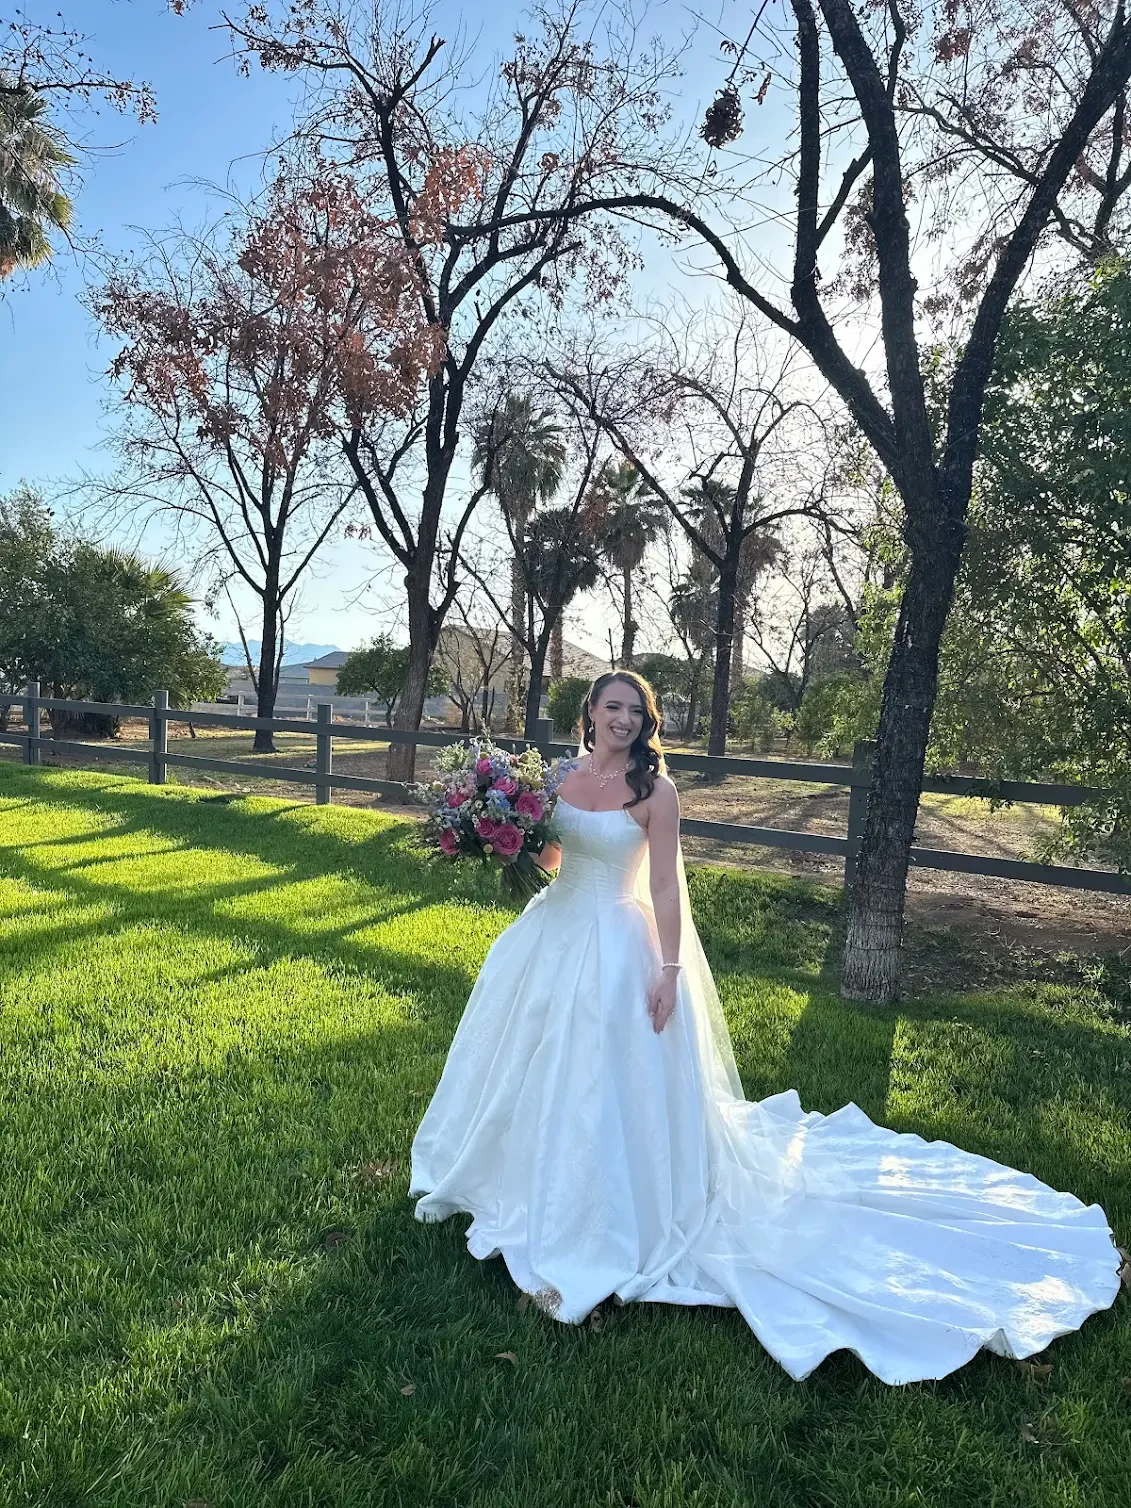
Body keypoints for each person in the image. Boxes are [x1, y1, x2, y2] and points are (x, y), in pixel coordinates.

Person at [409, 671, 1122, 1385]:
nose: (623, 720)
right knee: (530, 1059)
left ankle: (615, 1202)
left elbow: (661, 885)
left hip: (618, 947)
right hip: (551, 936)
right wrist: (499, 837)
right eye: (612, 707)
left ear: (645, 722)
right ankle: (516, 1173)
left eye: (635, 711)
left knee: (602, 1074)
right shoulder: (557, 777)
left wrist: (664, 966)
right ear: (589, 712)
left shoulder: (655, 792)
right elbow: (558, 857)